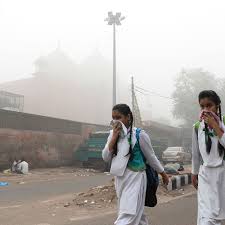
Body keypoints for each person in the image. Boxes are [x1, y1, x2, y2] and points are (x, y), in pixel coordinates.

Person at [102, 104, 169, 225]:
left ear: (128, 117)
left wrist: (163, 173)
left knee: (129, 214)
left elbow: (151, 157)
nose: (116, 121)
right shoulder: (112, 134)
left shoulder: (139, 135)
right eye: (113, 118)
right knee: (137, 214)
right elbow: (106, 157)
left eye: (119, 117)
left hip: (136, 178)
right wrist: (114, 137)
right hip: (120, 179)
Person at [192, 90, 225, 225]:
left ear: (217, 105)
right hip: (205, 175)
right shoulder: (197, 126)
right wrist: (194, 173)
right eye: (202, 106)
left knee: (218, 214)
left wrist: (215, 126)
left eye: (209, 105)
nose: (205, 110)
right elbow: (196, 153)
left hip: (223, 173)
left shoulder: (223, 123)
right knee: (206, 217)